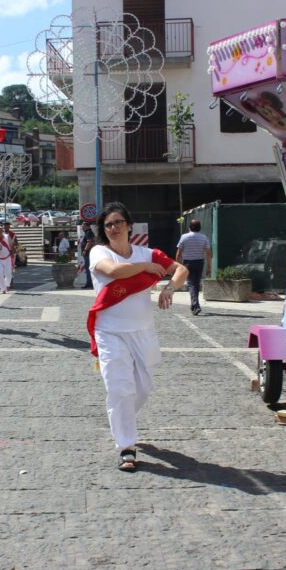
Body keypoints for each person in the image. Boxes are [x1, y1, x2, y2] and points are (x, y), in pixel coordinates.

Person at [88, 201, 188, 471]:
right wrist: (144, 268)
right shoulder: (99, 252)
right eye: (108, 224)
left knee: (142, 388)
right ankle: (126, 447)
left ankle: (120, 419)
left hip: (142, 331)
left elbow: (181, 270)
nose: (114, 228)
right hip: (109, 331)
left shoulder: (146, 252)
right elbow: (113, 272)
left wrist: (170, 288)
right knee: (120, 388)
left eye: (119, 222)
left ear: (129, 225)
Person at [175, 219, 213, 315]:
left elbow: (179, 252)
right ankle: (194, 306)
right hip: (199, 263)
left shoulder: (184, 237)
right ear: (200, 228)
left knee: (191, 284)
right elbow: (209, 253)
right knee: (195, 283)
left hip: (187, 263)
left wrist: (176, 265)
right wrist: (209, 267)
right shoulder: (204, 238)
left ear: (189, 227)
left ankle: (195, 305)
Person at [79, 222, 95, 289]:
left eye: (83, 226)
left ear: (86, 226)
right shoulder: (88, 232)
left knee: (88, 269)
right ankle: (89, 283)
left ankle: (89, 284)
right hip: (88, 253)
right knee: (88, 269)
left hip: (88, 253)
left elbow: (89, 242)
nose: (82, 227)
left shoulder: (88, 232)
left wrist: (85, 250)